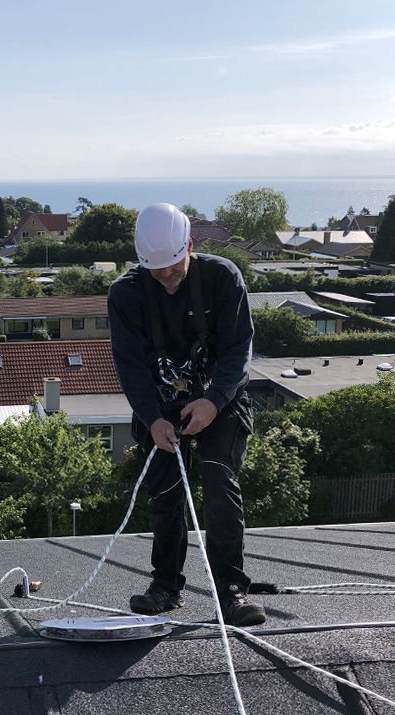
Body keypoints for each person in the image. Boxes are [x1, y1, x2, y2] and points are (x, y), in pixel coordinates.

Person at [107, 203, 265, 626]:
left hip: (221, 398)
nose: (167, 278)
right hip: (159, 406)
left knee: (218, 478)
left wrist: (213, 399)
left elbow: (238, 349)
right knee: (164, 492)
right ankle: (166, 586)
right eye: (156, 271)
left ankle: (231, 590)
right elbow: (130, 366)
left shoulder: (222, 278)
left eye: (173, 267)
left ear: (190, 247)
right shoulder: (126, 294)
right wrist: (152, 418)